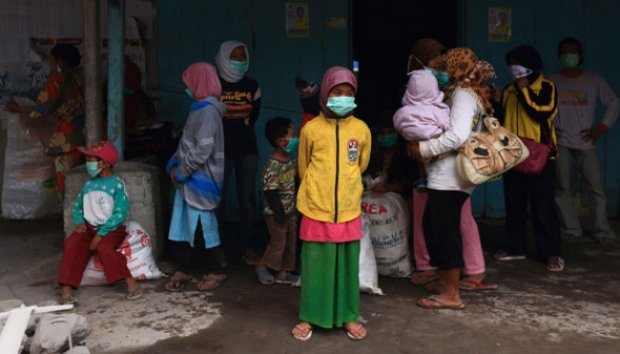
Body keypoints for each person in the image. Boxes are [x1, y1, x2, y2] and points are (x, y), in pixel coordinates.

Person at [404, 40, 495, 290]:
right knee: (441, 229)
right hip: (449, 176)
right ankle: (447, 285)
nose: (442, 69)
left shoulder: (464, 96)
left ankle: (450, 293)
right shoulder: (466, 93)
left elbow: (457, 136)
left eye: (447, 65)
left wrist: (423, 149)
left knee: (445, 233)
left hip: (449, 177)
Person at [291, 67, 371, 341]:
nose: (343, 98)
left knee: (347, 266)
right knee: (316, 266)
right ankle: (311, 316)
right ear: (326, 94)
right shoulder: (311, 129)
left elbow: (361, 164)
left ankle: (348, 316)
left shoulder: (361, 129)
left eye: (349, 94)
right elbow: (303, 166)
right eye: (337, 93)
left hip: (348, 208)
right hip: (316, 207)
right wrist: (318, 191)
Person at [494, 45, 563, 272]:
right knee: (514, 204)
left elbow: (542, 111)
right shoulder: (508, 90)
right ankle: (515, 248)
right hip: (513, 155)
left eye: (518, 63)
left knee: (543, 206)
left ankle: (551, 252)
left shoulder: (546, 86)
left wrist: (524, 90)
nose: (513, 68)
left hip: (540, 155)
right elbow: (501, 118)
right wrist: (494, 102)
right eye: (511, 63)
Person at [164, 62, 227, 292]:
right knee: (182, 223)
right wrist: (173, 163)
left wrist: (181, 171)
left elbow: (203, 150)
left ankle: (216, 268)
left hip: (200, 180)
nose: (187, 89)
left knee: (203, 225)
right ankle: (184, 265)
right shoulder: (199, 109)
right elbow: (186, 144)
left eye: (189, 84)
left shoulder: (209, 113)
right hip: (188, 178)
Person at [550, 37, 618, 244]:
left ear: (580, 56)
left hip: (586, 143)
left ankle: (602, 230)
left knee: (596, 190)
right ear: (560, 56)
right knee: (562, 189)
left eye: (572, 51)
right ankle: (571, 229)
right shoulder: (551, 80)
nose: (568, 55)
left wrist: (601, 127)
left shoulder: (594, 80)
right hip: (560, 141)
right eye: (564, 51)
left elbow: (614, 102)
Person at [57, 141, 141, 305]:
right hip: (89, 227)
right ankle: (66, 286)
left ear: (103, 163)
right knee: (72, 243)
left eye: (91, 160)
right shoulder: (88, 184)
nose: (88, 163)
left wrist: (101, 235)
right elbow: (77, 206)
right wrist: (79, 221)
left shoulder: (117, 185)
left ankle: (130, 281)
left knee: (105, 249)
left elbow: (120, 214)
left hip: (112, 228)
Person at [6, 43, 85, 201]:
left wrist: (19, 109)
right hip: (89, 133)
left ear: (60, 61)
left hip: (68, 138)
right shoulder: (82, 77)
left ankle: (72, 218)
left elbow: (42, 109)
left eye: (51, 59)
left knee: (67, 181)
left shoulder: (58, 79)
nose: (49, 63)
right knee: (84, 178)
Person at [215, 40, 262, 266]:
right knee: (218, 199)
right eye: (235, 56)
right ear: (224, 57)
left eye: (243, 57)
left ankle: (248, 247)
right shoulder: (214, 84)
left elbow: (253, 117)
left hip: (247, 148)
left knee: (247, 200)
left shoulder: (253, 85)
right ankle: (218, 249)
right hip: (219, 150)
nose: (240, 61)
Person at [255, 117, 299, 285]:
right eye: (292, 135)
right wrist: (278, 212)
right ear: (281, 141)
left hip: (291, 210)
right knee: (278, 241)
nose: (295, 139)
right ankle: (262, 265)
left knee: (290, 241)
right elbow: (270, 190)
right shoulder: (272, 164)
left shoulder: (290, 159)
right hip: (276, 212)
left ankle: (284, 271)